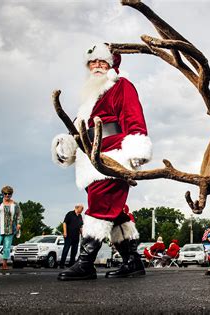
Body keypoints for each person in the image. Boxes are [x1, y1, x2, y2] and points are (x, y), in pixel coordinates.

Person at [51, 43, 152, 280]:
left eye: (102, 62)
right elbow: (78, 131)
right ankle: (133, 261)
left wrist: (136, 150)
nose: (97, 66)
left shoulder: (120, 86)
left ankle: (86, 263)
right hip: (90, 160)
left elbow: (133, 116)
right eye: (93, 62)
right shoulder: (87, 99)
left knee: (100, 208)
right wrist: (66, 146)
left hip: (113, 157)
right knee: (116, 213)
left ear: (111, 64)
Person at [0, 186, 23, 270]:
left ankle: (4, 265)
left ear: (11, 194)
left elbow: (19, 215)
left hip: (10, 228)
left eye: (9, 193)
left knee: (7, 246)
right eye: (5, 193)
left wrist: (18, 225)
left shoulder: (15, 204)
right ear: (2, 194)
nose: (7, 195)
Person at [59, 204, 84, 268]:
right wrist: (65, 232)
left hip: (76, 236)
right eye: (82, 208)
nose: (82, 209)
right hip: (69, 235)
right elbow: (64, 223)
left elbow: (81, 227)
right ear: (77, 208)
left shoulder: (80, 216)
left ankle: (71, 265)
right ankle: (61, 264)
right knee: (66, 250)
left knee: (74, 251)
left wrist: (82, 234)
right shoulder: (70, 214)